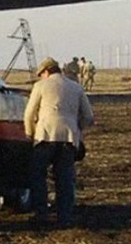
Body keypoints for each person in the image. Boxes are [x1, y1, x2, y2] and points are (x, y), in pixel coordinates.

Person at [24, 57, 95, 228]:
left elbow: (29, 114)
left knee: (38, 176)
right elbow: (89, 117)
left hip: (45, 137)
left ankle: (41, 213)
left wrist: (30, 135)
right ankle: (65, 217)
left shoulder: (40, 86)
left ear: (46, 72)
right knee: (65, 178)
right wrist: (77, 129)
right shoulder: (76, 87)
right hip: (68, 139)